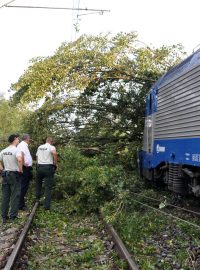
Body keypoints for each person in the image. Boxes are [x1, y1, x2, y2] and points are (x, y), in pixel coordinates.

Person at [0, 134, 23, 223]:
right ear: (15, 139)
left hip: (5, 174)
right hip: (14, 174)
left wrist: (2, 169)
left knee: (5, 195)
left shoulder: (3, 151)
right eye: (17, 139)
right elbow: (20, 159)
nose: (18, 140)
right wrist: (20, 170)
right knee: (15, 195)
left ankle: (4, 217)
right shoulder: (17, 150)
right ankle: (13, 216)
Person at [35, 137, 58, 210]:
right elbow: (54, 153)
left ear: (46, 141)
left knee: (38, 183)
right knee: (48, 187)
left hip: (39, 167)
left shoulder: (40, 147)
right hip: (48, 167)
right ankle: (46, 206)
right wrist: (55, 163)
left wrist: (38, 164)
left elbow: (37, 156)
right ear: (51, 142)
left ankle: (37, 199)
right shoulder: (51, 147)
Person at [17, 134, 33, 210]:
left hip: (25, 167)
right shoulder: (23, 145)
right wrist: (23, 164)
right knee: (23, 186)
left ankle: (21, 204)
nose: (29, 140)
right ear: (27, 138)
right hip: (25, 168)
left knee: (23, 186)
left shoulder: (22, 144)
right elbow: (22, 155)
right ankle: (20, 205)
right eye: (29, 138)